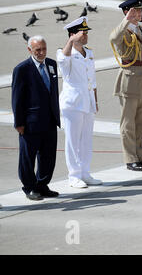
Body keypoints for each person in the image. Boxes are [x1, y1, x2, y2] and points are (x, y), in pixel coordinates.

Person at [110, 0, 142, 172]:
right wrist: (126, 21)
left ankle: (141, 157)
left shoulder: (140, 29)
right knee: (128, 123)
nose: (138, 14)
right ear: (126, 12)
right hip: (129, 81)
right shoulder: (123, 30)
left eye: (139, 12)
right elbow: (114, 38)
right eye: (134, 12)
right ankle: (130, 159)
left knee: (141, 123)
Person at [11, 35, 60, 200]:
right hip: (30, 122)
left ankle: (42, 184)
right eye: (37, 50)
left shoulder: (52, 64)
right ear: (29, 50)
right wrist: (19, 122)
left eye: (44, 49)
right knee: (28, 157)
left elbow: (52, 93)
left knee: (48, 155)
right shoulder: (22, 69)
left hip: (50, 120)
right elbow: (17, 98)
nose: (41, 52)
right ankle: (29, 187)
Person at [57, 17, 102, 188]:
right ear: (72, 34)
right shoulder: (64, 52)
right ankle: (73, 175)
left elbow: (93, 80)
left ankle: (85, 172)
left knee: (86, 140)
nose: (85, 36)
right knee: (72, 140)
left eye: (86, 33)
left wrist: (95, 101)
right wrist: (70, 41)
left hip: (87, 102)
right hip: (73, 104)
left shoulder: (88, 53)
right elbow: (62, 61)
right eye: (82, 33)